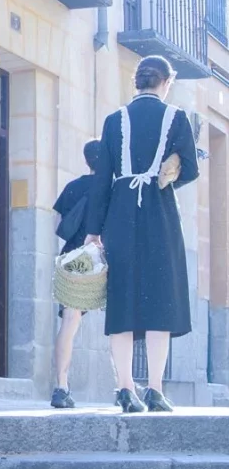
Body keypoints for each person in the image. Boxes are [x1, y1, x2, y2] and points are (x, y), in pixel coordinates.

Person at [84, 55, 199, 413]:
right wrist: (171, 172)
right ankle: (154, 388)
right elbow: (190, 170)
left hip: (119, 215)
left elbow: (101, 180)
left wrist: (93, 232)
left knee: (121, 301)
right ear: (166, 82)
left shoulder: (113, 120)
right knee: (159, 302)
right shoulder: (176, 118)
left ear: (137, 82)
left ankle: (123, 388)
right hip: (159, 214)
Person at [49, 139, 102, 409]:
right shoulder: (111, 188)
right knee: (120, 324)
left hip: (73, 257)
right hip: (102, 258)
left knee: (69, 323)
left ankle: (61, 386)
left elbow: (57, 224)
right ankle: (126, 386)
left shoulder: (72, 187)